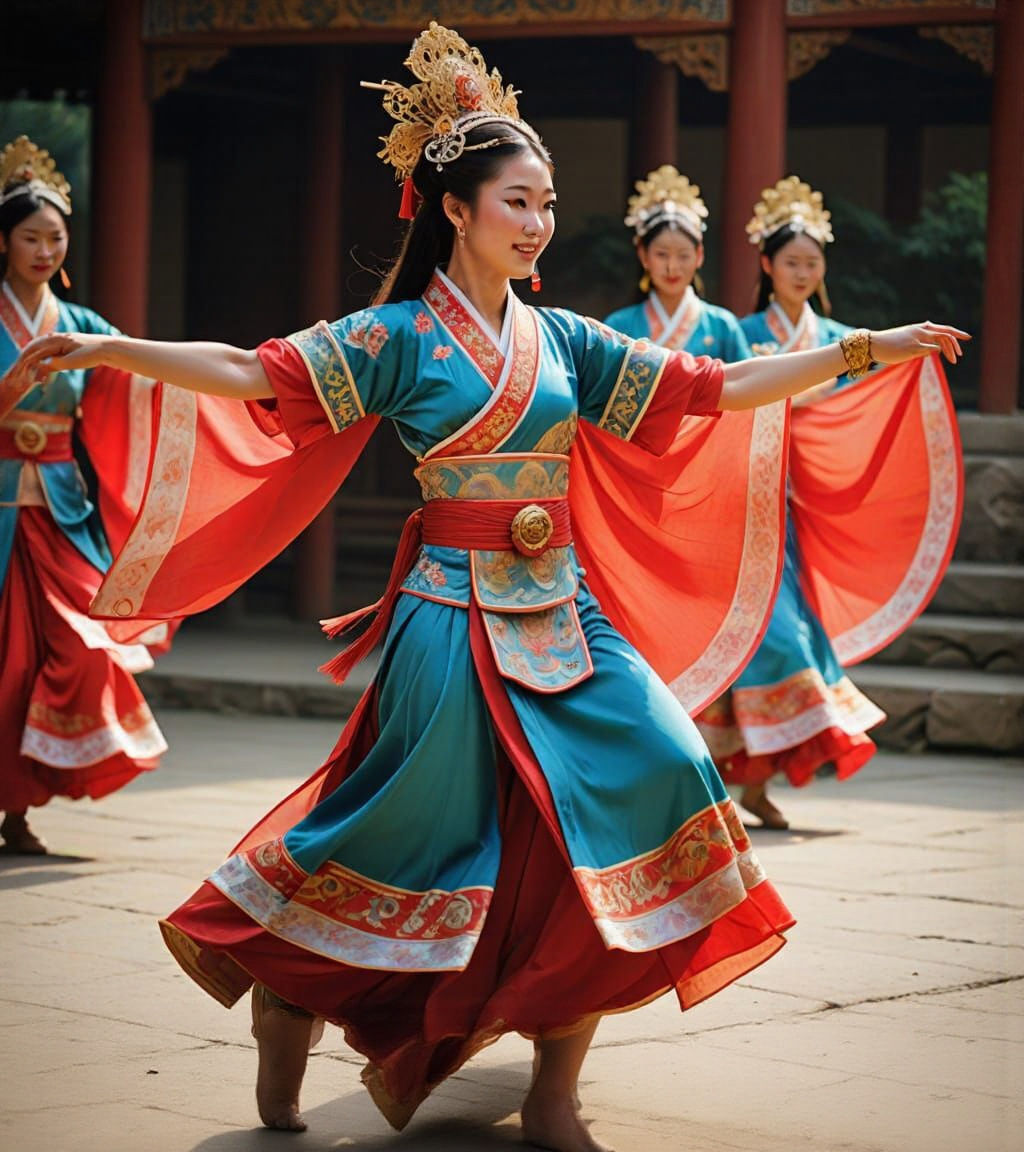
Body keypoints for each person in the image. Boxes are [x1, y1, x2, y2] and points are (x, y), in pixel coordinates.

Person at [7, 29, 967, 1150]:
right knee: (407, 839)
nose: (540, 221)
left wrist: (863, 350)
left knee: (660, 771)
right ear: (455, 210)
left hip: (567, 613)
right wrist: (112, 351)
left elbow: (719, 385)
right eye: (519, 200)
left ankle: (554, 1089)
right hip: (447, 621)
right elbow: (251, 370)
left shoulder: (566, 340)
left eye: (548, 202)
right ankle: (286, 988)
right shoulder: (396, 335)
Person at [695, 177, 963, 831]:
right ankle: (722, 787)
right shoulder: (739, 333)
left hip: (805, 504)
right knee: (751, 638)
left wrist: (905, 361)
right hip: (741, 499)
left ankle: (750, 785)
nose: (802, 273)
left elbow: (863, 410)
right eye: (791, 262)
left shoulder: (848, 337)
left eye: (812, 263)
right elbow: (722, 403)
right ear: (767, 265)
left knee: (777, 637)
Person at [0, 136, 168, 856]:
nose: (45, 250)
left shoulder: (82, 328)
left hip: (61, 513)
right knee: (6, 664)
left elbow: (141, 376)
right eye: (30, 237)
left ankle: (19, 807)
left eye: (56, 238)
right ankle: (13, 812)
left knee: (82, 646)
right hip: (2, 509)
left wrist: (222, 391)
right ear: (4, 242)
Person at [604, 164, 750, 362]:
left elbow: (750, 380)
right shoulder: (618, 325)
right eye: (662, 255)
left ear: (699, 255)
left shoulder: (722, 325)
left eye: (683, 256)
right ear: (643, 255)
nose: (672, 267)